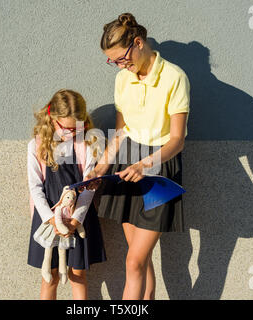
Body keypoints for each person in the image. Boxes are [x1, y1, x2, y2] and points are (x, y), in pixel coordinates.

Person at [83, 13, 190, 300]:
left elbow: (177, 139)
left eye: (122, 59)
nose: (120, 66)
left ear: (138, 43)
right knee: (139, 260)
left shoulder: (175, 77)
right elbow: (121, 130)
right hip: (126, 166)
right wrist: (100, 166)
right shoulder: (122, 79)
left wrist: (146, 164)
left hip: (158, 171)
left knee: (133, 262)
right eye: (114, 62)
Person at [27, 89, 107, 300]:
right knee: (50, 276)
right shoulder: (37, 146)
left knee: (77, 274)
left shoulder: (86, 145)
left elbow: (89, 188)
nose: (72, 133)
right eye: (67, 128)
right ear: (52, 119)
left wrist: (74, 220)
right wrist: (50, 219)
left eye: (76, 128)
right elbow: (35, 187)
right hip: (47, 219)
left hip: (78, 217)